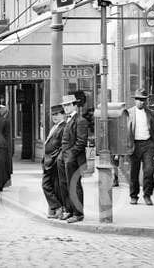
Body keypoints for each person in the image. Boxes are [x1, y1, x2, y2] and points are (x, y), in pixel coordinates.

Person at [56, 92, 89, 223]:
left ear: (75, 105)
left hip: (74, 159)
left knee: (74, 185)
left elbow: (81, 142)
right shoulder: (67, 120)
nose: (66, 108)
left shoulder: (81, 121)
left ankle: (78, 213)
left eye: (69, 105)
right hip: (63, 158)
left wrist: (70, 154)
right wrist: (61, 156)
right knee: (64, 185)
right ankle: (69, 210)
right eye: (64, 106)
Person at [126, 87, 154, 206]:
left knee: (149, 170)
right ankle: (133, 196)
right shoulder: (129, 113)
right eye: (138, 99)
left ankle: (147, 195)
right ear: (135, 100)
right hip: (134, 145)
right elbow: (125, 131)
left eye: (143, 100)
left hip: (148, 144)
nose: (141, 102)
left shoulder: (150, 113)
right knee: (134, 172)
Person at [42, 104, 67, 218]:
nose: (54, 117)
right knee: (49, 185)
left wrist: (54, 158)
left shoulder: (63, 127)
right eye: (53, 115)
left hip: (54, 161)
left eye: (57, 114)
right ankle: (55, 208)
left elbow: (62, 146)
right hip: (49, 161)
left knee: (48, 185)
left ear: (63, 114)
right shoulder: (56, 127)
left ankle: (57, 208)